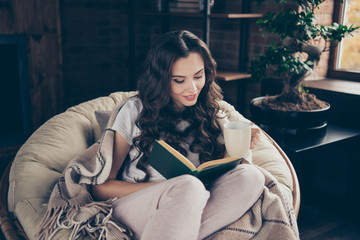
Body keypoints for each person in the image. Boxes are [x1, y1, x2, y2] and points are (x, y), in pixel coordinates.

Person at [91, 30, 265, 240]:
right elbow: (101, 188)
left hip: (194, 205)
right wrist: (169, 189)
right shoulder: (134, 111)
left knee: (252, 176)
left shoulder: (214, 113)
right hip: (137, 205)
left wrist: (245, 145)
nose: (192, 88)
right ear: (161, 80)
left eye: (198, 76)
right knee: (189, 186)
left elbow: (226, 176)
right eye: (179, 80)